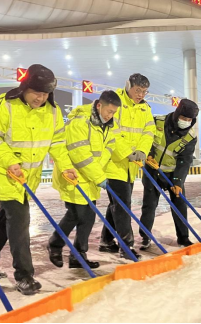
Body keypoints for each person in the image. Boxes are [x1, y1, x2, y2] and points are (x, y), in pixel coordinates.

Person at [0, 64, 77, 296]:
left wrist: (66, 166)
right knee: (20, 221)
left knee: (6, 221)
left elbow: (57, 142)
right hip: (5, 174)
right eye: (36, 92)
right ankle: (24, 275)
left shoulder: (52, 111)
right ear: (24, 87)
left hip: (27, 179)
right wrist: (10, 161)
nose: (40, 98)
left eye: (45, 94)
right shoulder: (3, 105)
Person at [48, 90, 121, 269]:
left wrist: (97, 172)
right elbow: (80, 155)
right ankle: (55, 244)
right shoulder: (80, 123)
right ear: (99, 105)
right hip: (74, 175)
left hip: (90, 178)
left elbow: (110, 146)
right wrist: (99, 176)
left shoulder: (108, 125)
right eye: (109, 111)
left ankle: (78, 256)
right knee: (76, 214)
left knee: (88, 217)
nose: (110, 115)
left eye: (113, 112)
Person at [99, 73, 155, 259]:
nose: (141, 95)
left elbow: (149, 131)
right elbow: (111, 130)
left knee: (117, 203)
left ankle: (106, 241)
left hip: (131, 166)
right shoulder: (115, 101)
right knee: (123, 205)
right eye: (138, 90)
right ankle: (126, 246)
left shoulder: (145, 108)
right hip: (113, 163)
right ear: (128, 86)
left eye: (144, 91)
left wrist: (142, 151)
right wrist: (127, 152)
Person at [139, 99, 199, 250]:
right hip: (153, 171)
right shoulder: (158, 122)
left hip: (173, 175)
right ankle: (145, 237)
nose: (186, 121)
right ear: (177, 114)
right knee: (149, 206)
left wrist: (178, 181)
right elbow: (146, 139)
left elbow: (184, 160)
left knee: (180, 205)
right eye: (183, 117)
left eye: (189, 119)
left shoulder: (190, 136)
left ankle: (183, 238)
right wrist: (149, 154)